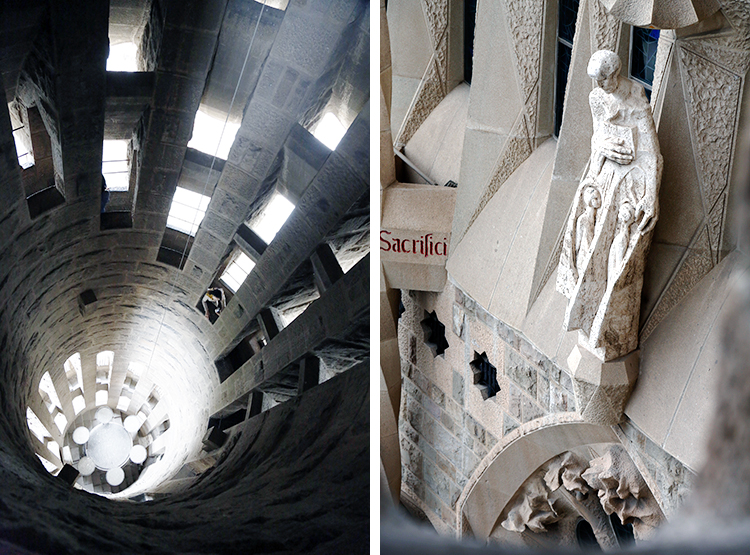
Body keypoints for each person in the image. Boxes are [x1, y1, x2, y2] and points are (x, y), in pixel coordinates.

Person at [556, 49, 662, 361]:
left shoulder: (634, 96)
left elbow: (653, 153)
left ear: (615, 73)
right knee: (587, 247)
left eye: (603, 77)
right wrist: (601, 147)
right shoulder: (596, 98)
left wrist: (652, 195)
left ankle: (612, 333)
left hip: (631, 181)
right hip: (603, 177)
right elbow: (597, 137)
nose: (599, 84)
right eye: (595, 79)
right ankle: (589, 321)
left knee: (620, 254)